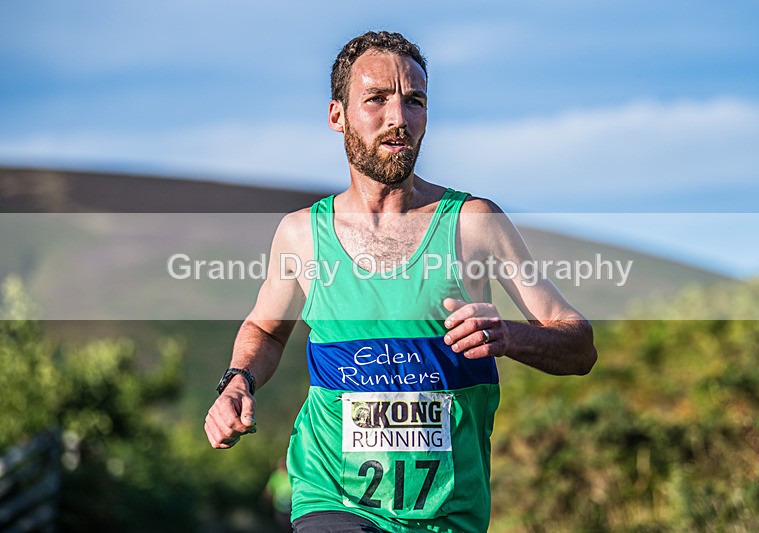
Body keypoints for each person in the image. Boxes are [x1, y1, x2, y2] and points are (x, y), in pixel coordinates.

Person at [204, 31, 597, 533]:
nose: (399, 118)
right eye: (377, 99)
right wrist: (238, 380)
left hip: (448, 515)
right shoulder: (302, 234)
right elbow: (266, 329)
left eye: (415, 101)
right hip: (334, 498)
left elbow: (579, 345)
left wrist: (510, 336)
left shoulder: (473, 223)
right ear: (337, 115)